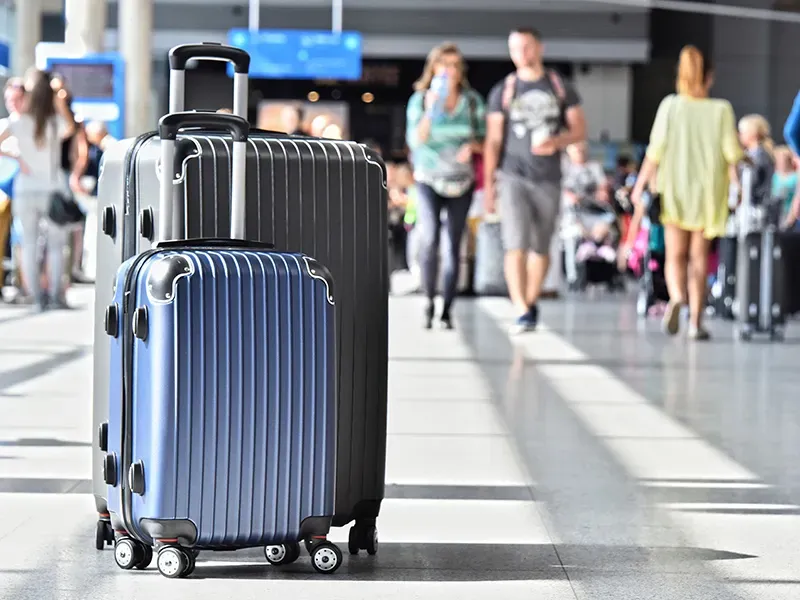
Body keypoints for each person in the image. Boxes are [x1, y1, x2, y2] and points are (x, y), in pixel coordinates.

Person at [625, 45, 742, 341]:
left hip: (674, 189)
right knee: (699, 259)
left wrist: (639, 187)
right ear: (710, 77)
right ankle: (696, 323)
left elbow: (654, 151)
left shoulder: (670, 106)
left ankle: (676, 297)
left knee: (674, 256)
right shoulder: (721, 110)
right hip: (707, 192)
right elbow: (732, 154)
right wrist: (739, 187)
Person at [483, 27, 586, 333]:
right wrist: (489, 184)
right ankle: (522, 308)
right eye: (515, 48)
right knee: (515, 243)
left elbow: (580, 130)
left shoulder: (560, 86)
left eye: (527, 47)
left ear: (539, 47)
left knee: (541, 247)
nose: (521, 54)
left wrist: (557, 142)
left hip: (549, 177)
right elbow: (493, 141)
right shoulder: (504, 90)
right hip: (513, 174)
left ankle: (528, 303)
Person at [406, 41, 486, 329]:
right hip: (428, 178)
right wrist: (430, 109)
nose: (450, 71)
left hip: (461, 180)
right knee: (429, 238)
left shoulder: (473, 101)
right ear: (434, 68)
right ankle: (428, 299)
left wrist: (472, 147)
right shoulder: (420, 100)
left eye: (455, 65)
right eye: (444, 65)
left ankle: (446, 310)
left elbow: (485, 140)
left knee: (454, 245)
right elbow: (416, 141)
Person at [0, 69, 77, 311]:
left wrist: (15, 156)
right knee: (56, 245)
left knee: (30, 243)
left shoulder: (17, 121)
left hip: (25, 189)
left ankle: (35, 296)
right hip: (51, 190)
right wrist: (59, 101)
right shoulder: (54, 122)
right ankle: (55, 294)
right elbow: (70, 129)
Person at [737, 114, 774, 207]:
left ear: (752, 133)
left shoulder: (759, 155)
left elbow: (752, 182)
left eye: (742, 132)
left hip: (756, 206)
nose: (739, 135)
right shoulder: (750, 153)